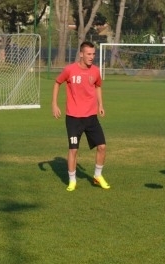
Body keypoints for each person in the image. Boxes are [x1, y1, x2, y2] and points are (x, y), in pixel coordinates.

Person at [52, 41, 110, 192]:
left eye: (93, 54)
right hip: (73, 118)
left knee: (102, 146)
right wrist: (54, 104)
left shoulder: (96, 71)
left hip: (91, 117)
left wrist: (101, 105)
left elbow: (98, 86)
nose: (92, 57)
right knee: (73, 150)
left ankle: (98, 176)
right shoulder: (69, 70)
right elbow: (57, 82)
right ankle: (72, 180)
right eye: (89, 54)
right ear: (81, 54)